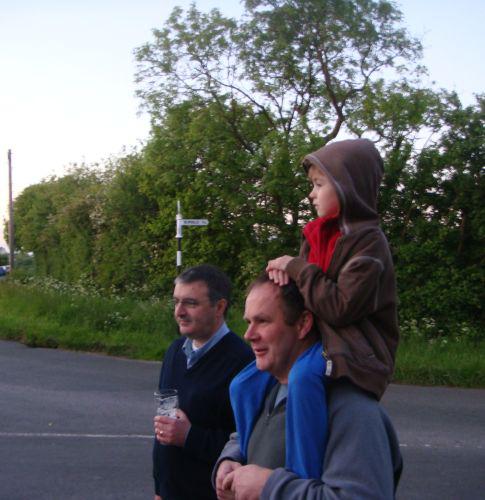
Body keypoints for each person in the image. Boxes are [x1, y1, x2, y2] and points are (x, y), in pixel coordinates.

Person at [214, 276, 402, 500]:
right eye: (248, 322)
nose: (248, 335)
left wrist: (269, 487)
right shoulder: (266, 389)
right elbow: (254, 436)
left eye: (262, 321)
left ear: (303, 324)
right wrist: (231, 459)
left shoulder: (352, 410)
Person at [152, 264, 254, 500]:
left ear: (219, 307)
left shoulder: (243, 363)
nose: (179, 311)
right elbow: (164, 434)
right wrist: (160, 488)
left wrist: (189, 436)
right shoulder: (175, 352)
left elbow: (249, 444)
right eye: (176, 301)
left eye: (191, 303)